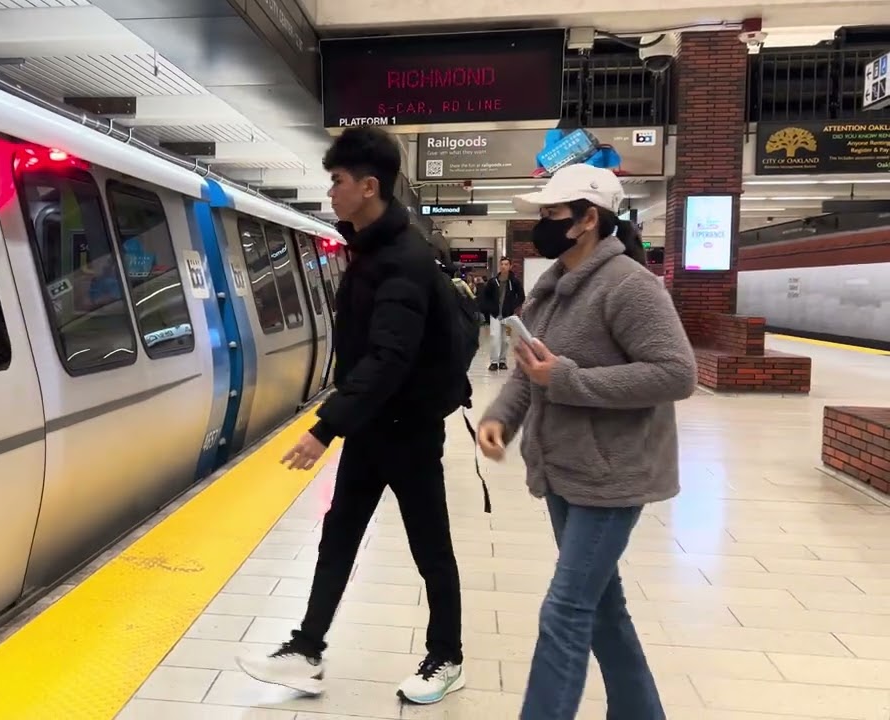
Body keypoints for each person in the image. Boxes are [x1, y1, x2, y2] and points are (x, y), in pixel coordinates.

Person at [237, 126, 470, 705]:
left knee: (430, 546)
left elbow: (388, 358)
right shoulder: (369, 251)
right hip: (373, 427)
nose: (332, 192)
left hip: (410, 430)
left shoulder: (403, 261)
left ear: (369, 186)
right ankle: (306, 648)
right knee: (338, 535)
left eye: (338, 181)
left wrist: (325, 427)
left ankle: (447, 657)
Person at [475, 163, 696, 720]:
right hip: (564, 472)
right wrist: (502, 416)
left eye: (550, 214)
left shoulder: (629, 286)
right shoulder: (550, 291)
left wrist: (569, 380)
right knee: (602, 610)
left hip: (611, 477)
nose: (540, 225)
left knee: (566, 611)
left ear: (587, 219)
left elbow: (676, 373)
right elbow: (531, 372)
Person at [480, 256, 524, 371]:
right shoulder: (493, 282)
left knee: (506, 339)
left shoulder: (514, 282)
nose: (503, 266)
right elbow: (485, 297)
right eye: (502, 264)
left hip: (508, 316)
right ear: (500, 266)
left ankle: (502, 361)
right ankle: (494, 362)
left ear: (510, 266)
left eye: (506, 264)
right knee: (494, 337)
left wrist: (512, 306)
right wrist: (489, 308)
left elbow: (521, 296)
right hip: (495, 315)